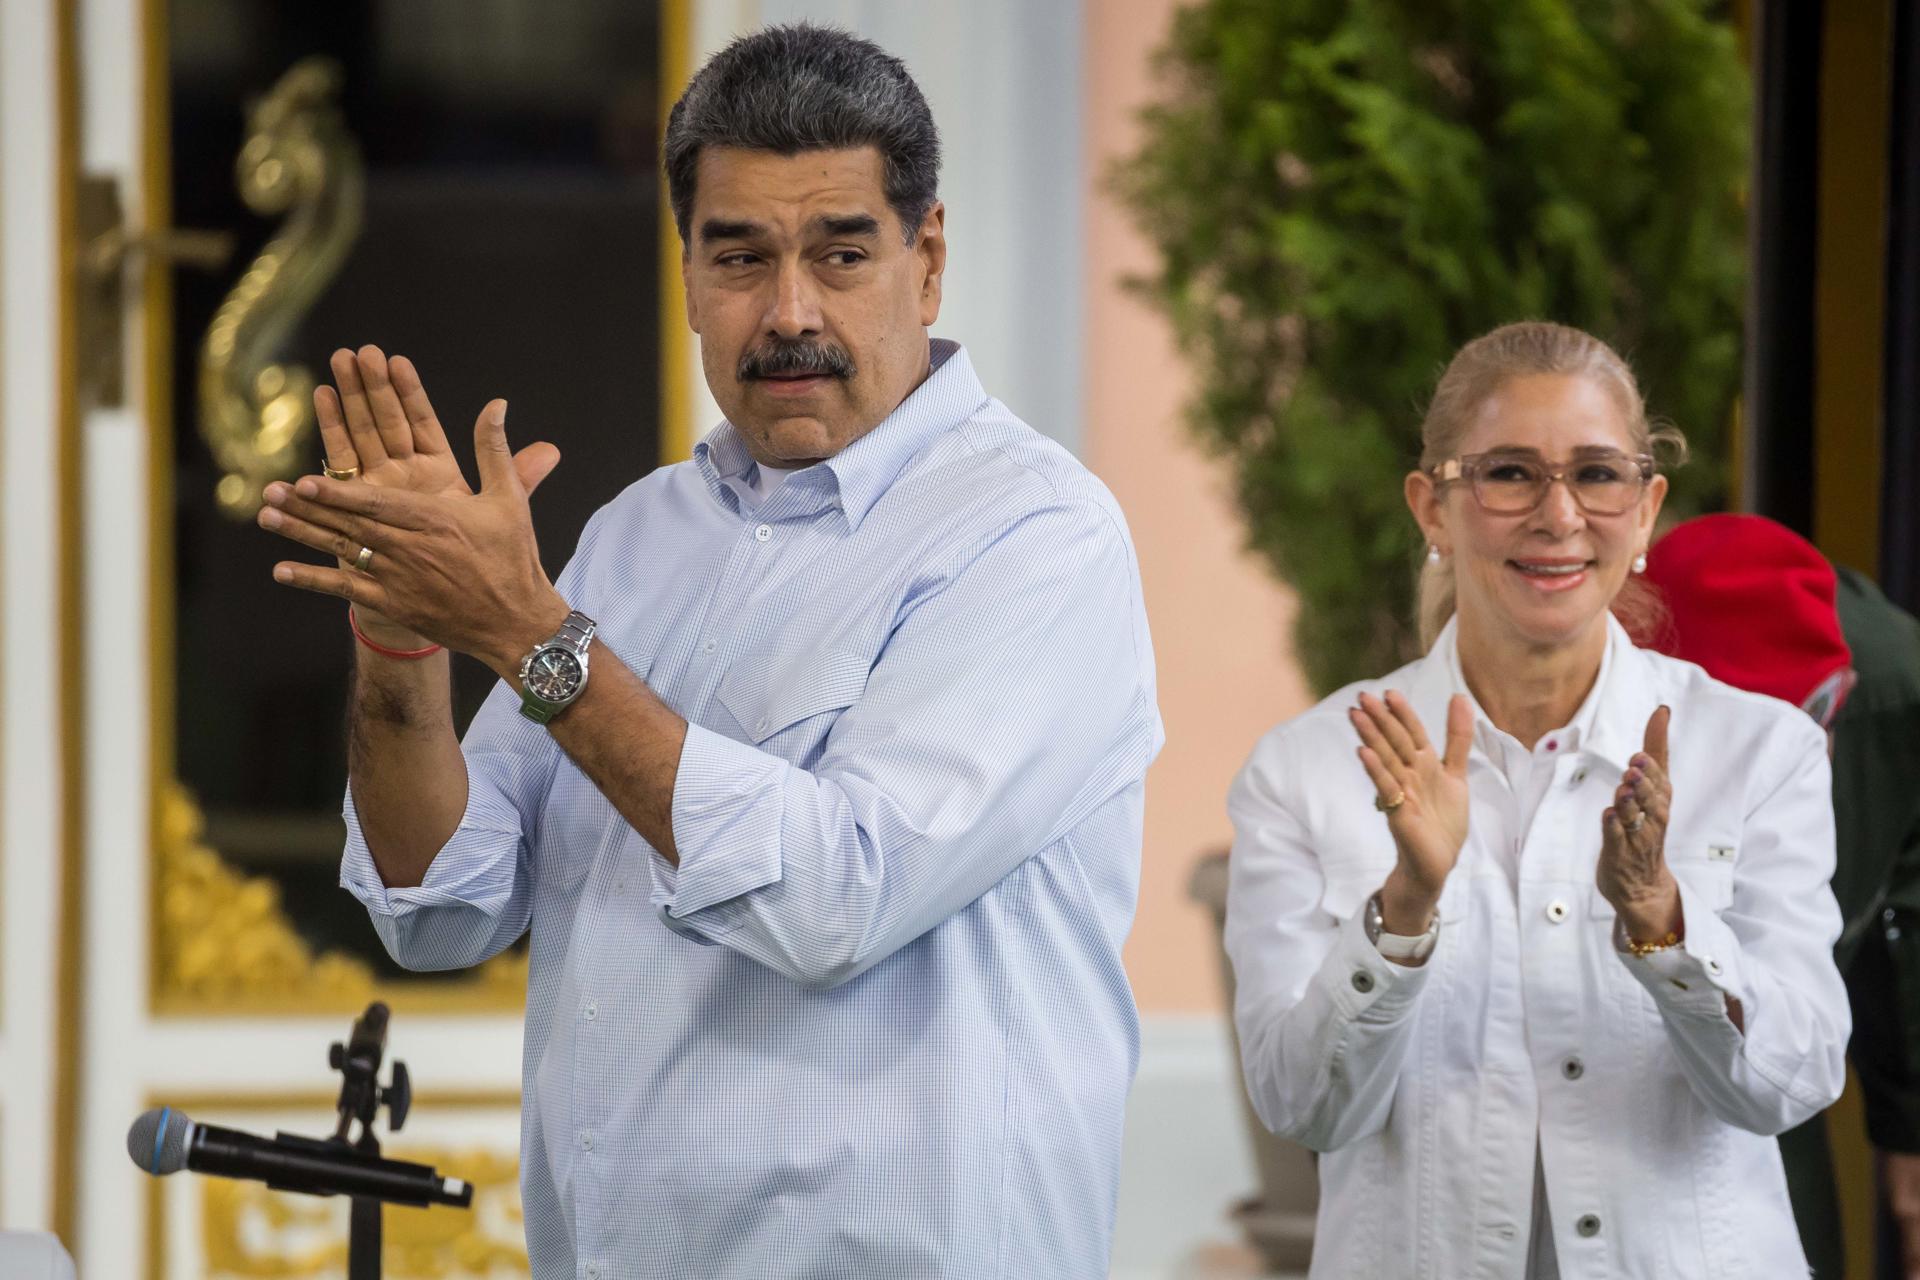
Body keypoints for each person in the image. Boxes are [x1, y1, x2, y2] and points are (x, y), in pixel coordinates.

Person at [255, 24, 1161, 1279]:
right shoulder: (638, 535)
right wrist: (407, 634)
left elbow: (840, 894)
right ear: (687, 272)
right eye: (740, 257)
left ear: (928, 258)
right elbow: (440, 904)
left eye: (842, 254)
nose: (790, 312)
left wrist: (523, 629)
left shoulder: (1034, 535)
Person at [1224, 320, 1849, 1277]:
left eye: (1598, 475)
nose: (1559, 515)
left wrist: (1662, 924)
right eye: (1510, 473)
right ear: (1433, 508)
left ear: (1645, 512)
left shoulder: (1760, 753)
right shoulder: (1305, 769)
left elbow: (1791, 1084)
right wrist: (1402, 916)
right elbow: (1304, 1108)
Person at [1643, 513, 1920, 1280]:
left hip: (1778, 1059)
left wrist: (1910, 1131)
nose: (1805, 758)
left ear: (1849, 686)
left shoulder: (1900, 691)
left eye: (1817, 717)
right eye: (1759, 739)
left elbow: (1911, 918)